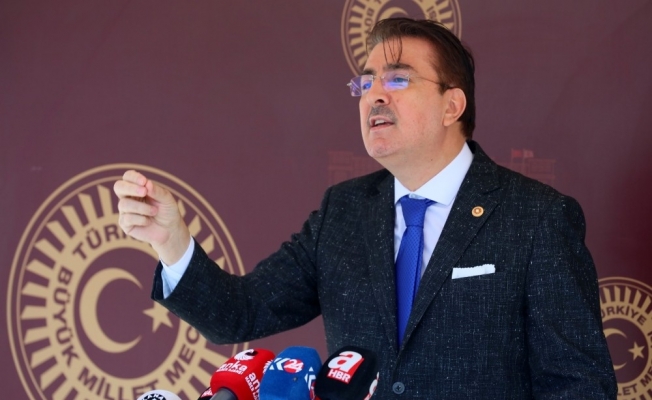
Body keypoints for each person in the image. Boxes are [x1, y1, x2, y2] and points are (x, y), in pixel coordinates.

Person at [114, 18, 617, 399]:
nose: (373, 95)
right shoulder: (344, 212)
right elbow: (239, 313)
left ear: (452, 105)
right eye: (365, 83)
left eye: (397, 80)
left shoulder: (536, 217)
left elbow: (579, 385)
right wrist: (171, 241)